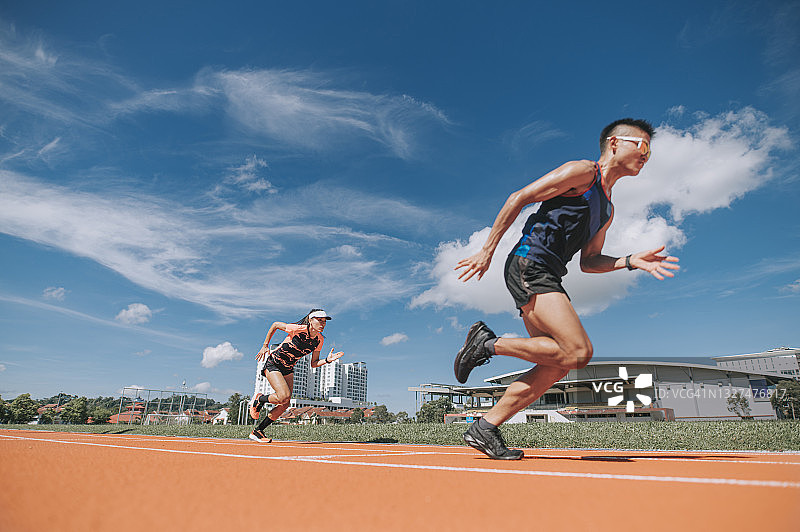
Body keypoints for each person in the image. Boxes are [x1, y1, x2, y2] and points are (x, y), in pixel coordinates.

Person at [453, 118, 680, 460]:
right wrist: (486, 251)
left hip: (549, 273)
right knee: (578, 353)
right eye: (643, 146)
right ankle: (486, 344)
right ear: (615, 143)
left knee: (556, 364)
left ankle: (485, 427)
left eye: (651, 150)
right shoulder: (583, 172)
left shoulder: (607, 209)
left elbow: (589, 262)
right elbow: (520, 197)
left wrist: (631, 260)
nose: (647, 155)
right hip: (530, 263)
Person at [248, 309, 343, 442]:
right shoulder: (298, 329)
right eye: (319, 320)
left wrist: (327, 360)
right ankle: (260, 400)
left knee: (285, 403)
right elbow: (275, 324)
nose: (323, 324)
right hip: (274, 363)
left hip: (288, 368)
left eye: (324, 321)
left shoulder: (319, 340)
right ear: (310, 320)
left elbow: (314, 363)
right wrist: (265, 346)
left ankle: (258, 431)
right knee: (284, 396)